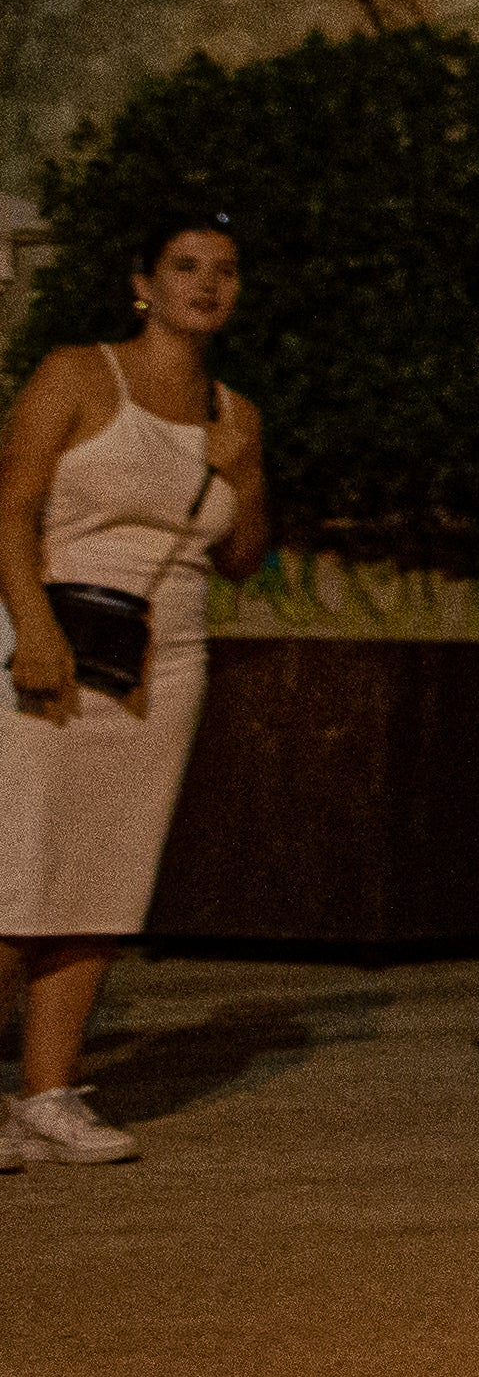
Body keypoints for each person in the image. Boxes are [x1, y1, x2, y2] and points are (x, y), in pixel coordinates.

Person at [0, 204, 267, 1168]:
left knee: (103, 875)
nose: (207, 283)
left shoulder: (235, 414)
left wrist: (240, 471)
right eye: (186, 264)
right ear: (142, 282)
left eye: (225, 268)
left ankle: (48, 1093)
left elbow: (242, 557)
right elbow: (12, 508)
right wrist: (30, 626)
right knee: (17, 869)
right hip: (54, 635)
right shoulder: (78, 373)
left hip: (168, 653)